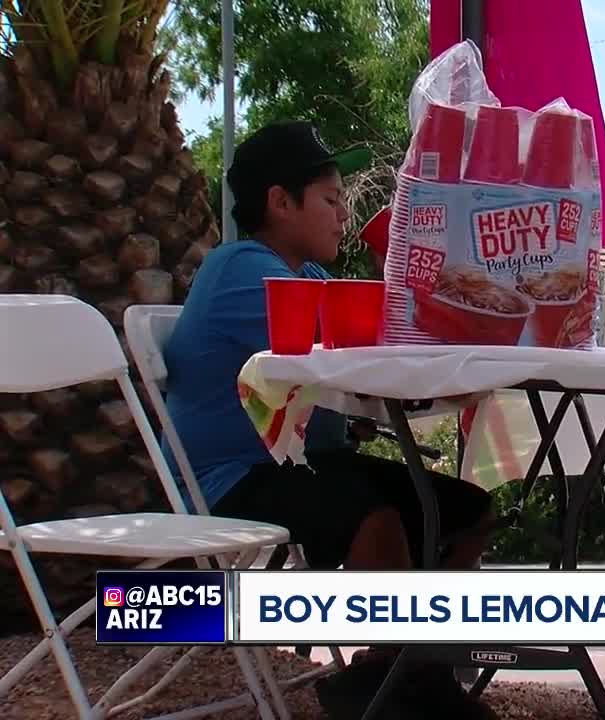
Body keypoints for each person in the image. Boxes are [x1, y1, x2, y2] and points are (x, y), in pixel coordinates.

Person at [162, 121, 497, 719]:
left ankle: (406, 664)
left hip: (305, 464)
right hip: (234, 478)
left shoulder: (308, 277)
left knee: (468, 509)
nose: (344, 214)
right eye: (332, 200)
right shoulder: (241, 268)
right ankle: (398, 680)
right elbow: (343, 359)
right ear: (280, 202)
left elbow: (360, 353)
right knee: (378, 517)